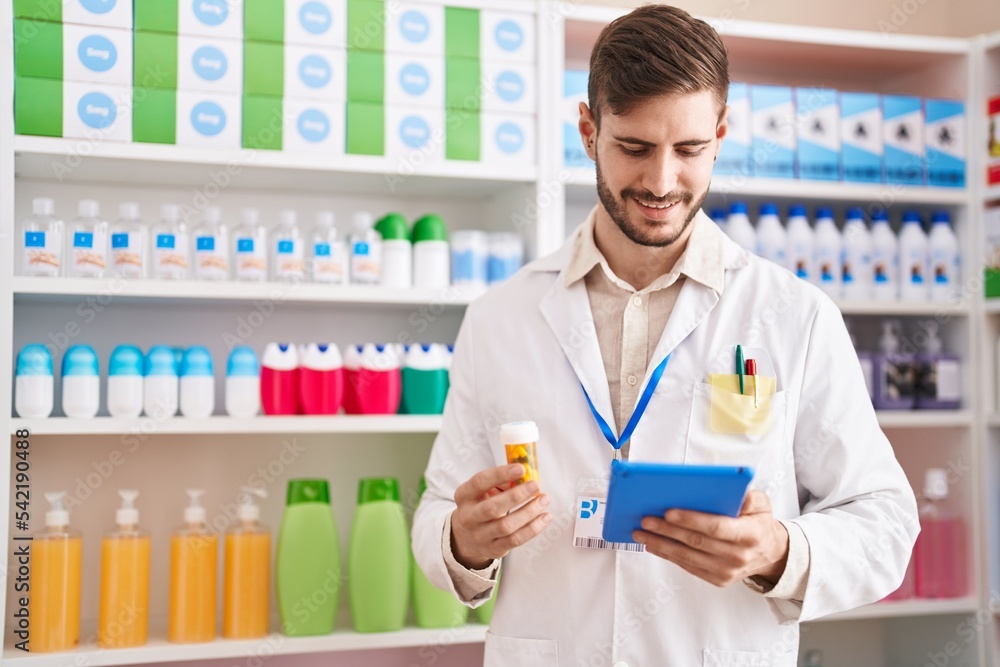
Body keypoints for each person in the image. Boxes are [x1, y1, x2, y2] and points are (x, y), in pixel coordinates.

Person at [412, 5, 918, 666]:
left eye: (689, 150)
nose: (660, 181)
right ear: (589, 129)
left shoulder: (792, 313)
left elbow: (885, 523)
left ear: (721, 134)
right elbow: (436, 512)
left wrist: (778, 550)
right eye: (634, 147)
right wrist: (462, 540)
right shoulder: (500, 317)